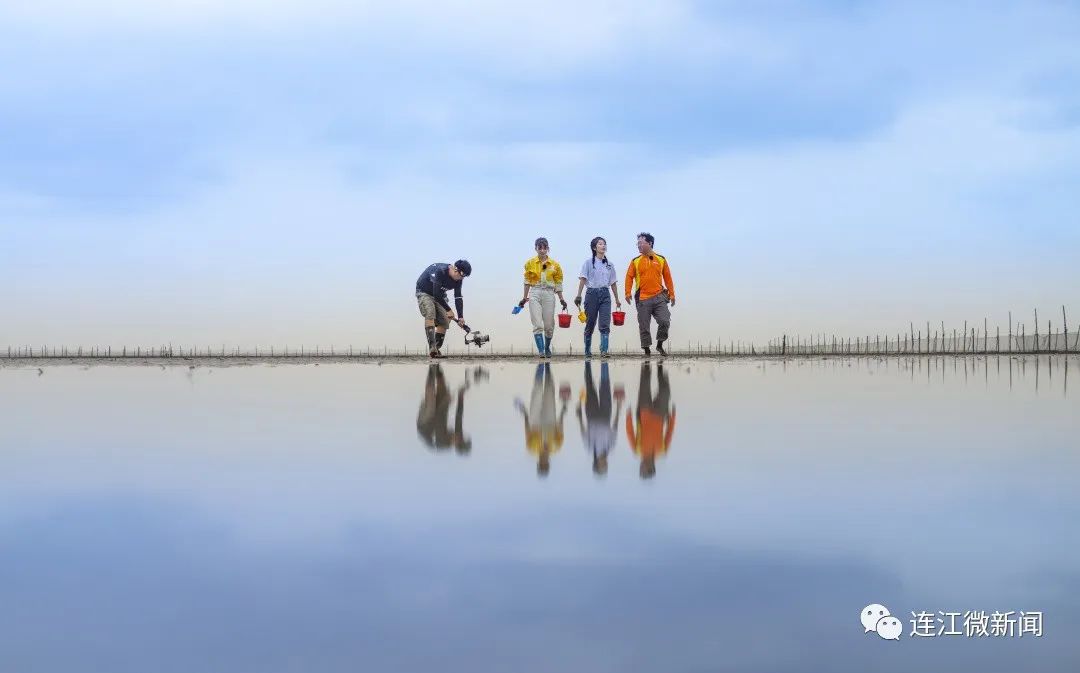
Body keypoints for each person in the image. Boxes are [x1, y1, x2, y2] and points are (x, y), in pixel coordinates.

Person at [624, 232, 675, 356]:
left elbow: (668, 278)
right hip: (642, 298)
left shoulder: (661, 259)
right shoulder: (635, 261)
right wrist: (627, 292)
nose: (638, 245)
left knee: (664, 321)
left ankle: (659, 345)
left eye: (641, 242)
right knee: (644, 325)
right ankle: (647, 351)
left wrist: (672, 294)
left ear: (649, 243)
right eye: (638, 243)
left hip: (659, 297)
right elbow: (629, 277)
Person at [514, 363, 568, 477]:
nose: (543, 461)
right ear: (548, 463)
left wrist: (524, 413)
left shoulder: (531, 448)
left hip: (535, 421)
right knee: (549, 388)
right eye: (545, 464)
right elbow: (560, 429)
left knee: (537, 390)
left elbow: (527, 431)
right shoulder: (556, 447)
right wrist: (562, 413)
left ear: (538, 463)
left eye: (541, 464)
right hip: (551, 421)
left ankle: (540, 366)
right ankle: (547, 367)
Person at [573, 236, 622, 357]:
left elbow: (613, 283)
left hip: (605, 294)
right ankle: (587, 350)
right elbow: (583, 279)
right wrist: (578, 295)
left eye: (604, 244)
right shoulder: (588, 263)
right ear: (594, 247)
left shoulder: (610, 264)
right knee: (590, 323)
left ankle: (604, 350)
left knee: (605, 323)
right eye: (600, 244)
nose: (603, 246)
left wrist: (617, 299)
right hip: (592, 294)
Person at [518, 237, 567, 357]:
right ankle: (541, 351)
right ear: (536, 248)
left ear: (548, 248)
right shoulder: (530, 263)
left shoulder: (555, 265)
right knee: (537, 325)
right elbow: (527, 281)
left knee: (549, 326)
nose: (542, 250)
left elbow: (558, 283)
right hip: (534, 292)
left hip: (549, 293)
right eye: (539, 247)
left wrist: (561, 299)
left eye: (544, 247)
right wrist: (524, 298)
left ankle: (546, 347)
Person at [626, 362, 676, 479]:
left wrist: (628, 417)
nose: (640, 467)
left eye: (641, 469)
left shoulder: (637, 450)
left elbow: (630, 433)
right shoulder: (662, 451)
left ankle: (646, 362)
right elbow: (669, 433)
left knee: (645, 383)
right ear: (651, 468)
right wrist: (673, 417)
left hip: (644, 411)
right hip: (661, 414)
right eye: (643, 470)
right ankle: (660, 367)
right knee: (665, 391)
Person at [576, 361, 624, 477]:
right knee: (605, 384)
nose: (605, 463)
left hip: (591, 414)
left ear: (596, 463)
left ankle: (587, 363)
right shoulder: (610, 447)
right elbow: (615, 427)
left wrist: (579, 415)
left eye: (602, 465)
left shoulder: (590, 448)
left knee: (589, 385)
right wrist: (618, 408)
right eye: (605, 465)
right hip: (606, 413)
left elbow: (583, 431)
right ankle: (604, 363)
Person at [415, 259, 471, 358]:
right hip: (424, 291)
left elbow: (458, 297)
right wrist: (448, 310)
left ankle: (436, 349)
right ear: (455, 269)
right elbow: (436, 293)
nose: (462, 278)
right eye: (462, 275)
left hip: (440, 295)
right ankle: (432, 348)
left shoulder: (459, 280)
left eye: (464, 276)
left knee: (445, 321)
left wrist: (461, 316)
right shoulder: (440, 271)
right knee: (430, 312)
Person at [416, 364, 472, 454]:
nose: (460, 436)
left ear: (456, 444)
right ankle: (436, 364)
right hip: (437, 420)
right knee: (444, 392)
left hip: (425, 424)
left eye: (460, 439)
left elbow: (439, 416)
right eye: (462, 437)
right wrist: (461, 395)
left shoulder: (442, 441)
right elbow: (459, 416)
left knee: (431, 404)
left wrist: (446, 401)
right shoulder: (458, 435)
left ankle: (431, 368)